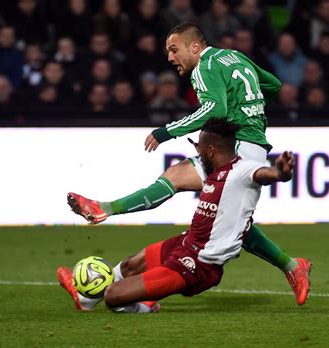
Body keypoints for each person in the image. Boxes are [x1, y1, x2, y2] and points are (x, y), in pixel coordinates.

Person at [67, 22, 311, 305]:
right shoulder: (233, 56)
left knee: (212, 209)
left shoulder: (204, 66)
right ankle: (292, 266)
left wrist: (166, 131)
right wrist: (248, 108)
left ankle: (104, 210)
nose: (170, 58)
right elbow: (273, 85)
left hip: (237, 147)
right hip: (249, 143)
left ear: (195, 47)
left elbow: (214, 108)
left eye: (174, 49)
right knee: (205, 201)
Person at [59, 118, 309, 312]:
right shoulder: (214, 169)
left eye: (199, 149)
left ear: (211, 150)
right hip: (186, 244)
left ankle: (143, 307)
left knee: (114, 295)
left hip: (198, 266)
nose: (197, 154)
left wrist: (281, 173)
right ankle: (85, 300)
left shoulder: (243, 170)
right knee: (129, 265)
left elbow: (264, 174)